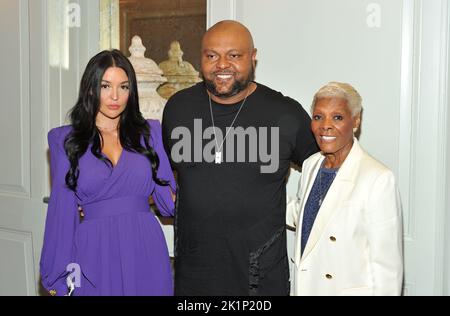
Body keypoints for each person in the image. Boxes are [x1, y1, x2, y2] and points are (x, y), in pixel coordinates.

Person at [162, 20, 318, 295]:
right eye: (212, 55)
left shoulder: (285, 114)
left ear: (253, 57)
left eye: (234, 55)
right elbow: (166, 175)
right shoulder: (178, 109)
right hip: (195, 276)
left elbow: (326, 172)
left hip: (260, 276)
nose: (222, 64)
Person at [40, 49, 176, 296]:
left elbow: (169, 202)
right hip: (94, 251)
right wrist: (58, 278)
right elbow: (62, 214)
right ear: (91, 89)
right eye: (106, 86)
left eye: (123, 87)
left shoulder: (149, 133)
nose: (115, 96)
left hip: (145, 247)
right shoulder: (66, 140)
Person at [286, 82, 403, 295]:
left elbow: (387, 269)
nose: (325, 126)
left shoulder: (377, 178)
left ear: (355, 121)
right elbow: (307, 213)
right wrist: (256, 198)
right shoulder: (311, 164)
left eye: (337, 117)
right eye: (318, 117)